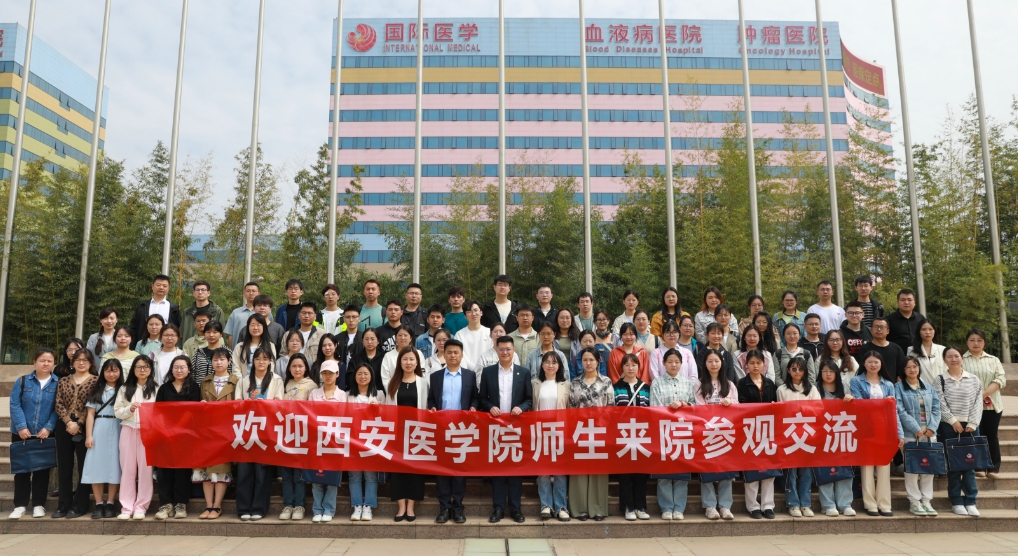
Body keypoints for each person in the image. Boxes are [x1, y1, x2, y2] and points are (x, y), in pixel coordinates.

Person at [478, 336, 532, 523]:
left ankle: (516, 509)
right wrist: (490, 407)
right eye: (501, 349)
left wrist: (521, 408)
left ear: (513, 350)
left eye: (508, 349)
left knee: (515, 470)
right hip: (496, 428)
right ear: (496, 350)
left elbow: (529, 399)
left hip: (516, 428)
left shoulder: (523, 373)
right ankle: (498, 509)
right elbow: (482, 398)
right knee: (498, 469)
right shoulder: (488, 372)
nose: (505, 352)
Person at [428, 339, 478, 524]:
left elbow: (475, 397)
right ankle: (444, 507)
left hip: (461, 429)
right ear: (444, 354)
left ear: (462, 355)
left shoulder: (470, 375)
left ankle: (458, 507)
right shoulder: (435, 376)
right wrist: (432, 408)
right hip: (441, 428)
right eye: (449, 352)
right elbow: (431, 399)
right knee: (442, 469)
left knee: (458, 469)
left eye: (456, 352)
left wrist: (473, 407)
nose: (452, 355)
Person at [850, 351, 905, 516]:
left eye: (876, 362)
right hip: (865, 428)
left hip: (885, 429)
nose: (873, 365)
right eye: (870, 362)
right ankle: (870, 504)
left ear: (881, 364)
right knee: (867, 467)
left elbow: (894, 411)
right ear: (864, 364)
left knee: (884, 466)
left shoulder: (888, 384)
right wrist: (882, 404)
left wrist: (899, 433)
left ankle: (884, 503)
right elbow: (859, 404)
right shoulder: (856, 381)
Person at [8, 348, 59, 520]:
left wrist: (49, 427)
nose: (46, 363)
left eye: (49, 361)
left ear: (54, 363)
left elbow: (58, 408)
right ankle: (20, 505)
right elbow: (15, 404)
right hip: (21, 432)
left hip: (44, 433)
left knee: (42, 471)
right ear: (34, 362)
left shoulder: (58, 383)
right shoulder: (23, 381)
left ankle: (38, 504)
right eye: (42, 360)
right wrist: (21, 427)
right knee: (22, 470)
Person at [933, 345, 983, 516]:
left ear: (962, 358)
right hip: (949, 426)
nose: (953, 359)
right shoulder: (939, 379)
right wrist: (953, 421)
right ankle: (956, 501)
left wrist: (973, 423)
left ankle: (971, 500)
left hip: (970, 426)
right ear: (944, 360)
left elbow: (978, 403)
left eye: (956, 356)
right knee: (954, 466)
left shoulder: (974, 379)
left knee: (969, 465)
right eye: (949, 356)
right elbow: (939, 403)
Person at [235, 348, 284, 520]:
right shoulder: (244, 380)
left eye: (265, 358)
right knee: (244, 471)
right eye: (257, 359)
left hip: (266, 430)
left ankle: (258, 508)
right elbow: (236, 403)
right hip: (246, 430)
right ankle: (243, 508)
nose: (261, 361)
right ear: (253, 361)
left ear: (270, 361)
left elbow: (280, 403)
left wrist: (266, 404)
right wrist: (247, 403)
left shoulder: (276, 380)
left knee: (262, 473)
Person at [650, 348, 696, 521]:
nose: (673, 365)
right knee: (664, 472)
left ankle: (679, 508)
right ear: (663, 363)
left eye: (677, 362)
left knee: (681, 471)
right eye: (670, 362)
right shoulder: (657, 383)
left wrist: (684, 403)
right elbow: (655, 407)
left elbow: (695, 406)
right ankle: (666, 507)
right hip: (664, 431)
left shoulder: (688, 384)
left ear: (681, 364)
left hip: (683, 431)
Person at [569, 347, 614, 521]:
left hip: (600, 430)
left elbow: (610, 407)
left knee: (598, 470)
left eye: (591, 360)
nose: (588, 363)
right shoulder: (575, 382)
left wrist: (599, 421)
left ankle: (598, 508)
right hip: (580, 431)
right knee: (579, 470)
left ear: (598, 361)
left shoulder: (606, 382)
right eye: (585, 360)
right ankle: (580, 508)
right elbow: (571, 408)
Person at [153, 356, 200, 520]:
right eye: (176, 367)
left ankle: (181, 504)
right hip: (165, 434)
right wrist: (166, 430)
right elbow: (158, 411)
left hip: (185, 435)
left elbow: (192, 410)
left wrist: (177, 427)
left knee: (182, 470)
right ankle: (165, 504)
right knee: (164, 470)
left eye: (182, 367)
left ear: (189, 369)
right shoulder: (164, 388)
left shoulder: (193, 387)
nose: (179, 370)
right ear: (171, 370)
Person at [53, 348, 99, 518]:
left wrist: (79, 423)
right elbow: (58, 403)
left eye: (85, 360)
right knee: (64, 466)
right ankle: (63, 504)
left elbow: (93, 405)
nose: (81, 363)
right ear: (72, 362)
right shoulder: (64, 380)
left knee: (83, 467)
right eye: (78, 359)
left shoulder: (96, 381)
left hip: (85, 427)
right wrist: (68, 422)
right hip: (64, 426)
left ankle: (80, 505)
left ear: (91, 363)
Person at [386, 346, 430, 522]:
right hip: (397, 432)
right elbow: (388, 410)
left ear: (417, 362)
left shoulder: (423, 383)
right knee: (397, 470)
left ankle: (411, 506)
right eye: (405, 359)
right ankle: (401, 507)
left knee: (415, 470)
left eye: (412, 359)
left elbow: (426, 408)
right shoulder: (393, 383)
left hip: (417, 433)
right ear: (400, 362)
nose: (408, 362)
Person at [896, 355, 942, 516]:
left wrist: (932, 428)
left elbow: (936, 408)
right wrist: (915, 428)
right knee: (912, 469)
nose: (912, 369)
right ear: (903, 370)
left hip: (929, 435)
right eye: (908, 367)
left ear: (919, 368)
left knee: (928, 469)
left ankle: (926, 500)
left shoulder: (928, 387)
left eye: (915, 366)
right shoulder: (898, 388)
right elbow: (900, 411)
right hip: (910, 435)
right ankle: (914, 501)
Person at [695, 348, 738, 520]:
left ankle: (725, 506)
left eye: (717, 361)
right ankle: (710, 506)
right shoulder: (699, 384)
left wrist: (730, 402)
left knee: (726, 470)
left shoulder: (730, 384)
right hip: (707, 433)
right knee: (707, 470)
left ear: (722, 363)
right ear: (705, 364)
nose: (714, 364)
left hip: (726, 433)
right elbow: (699, 408)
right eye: (710, 361)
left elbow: (738, 408)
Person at [196, 347, 238, 520]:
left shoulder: (236, 381)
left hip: (226, 430)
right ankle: (208, 504)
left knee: (221, 468)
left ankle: (217, 505)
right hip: (207, 430)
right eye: (215, 360)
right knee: (206, 469)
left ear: (229, 361)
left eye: (222, 359)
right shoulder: (205, 381)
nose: (218, 362)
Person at [114, 355, 158, 520]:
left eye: (146, 367)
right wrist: (129, 410)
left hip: (148, 432)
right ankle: (126, 507)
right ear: (133, 369)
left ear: (151, 369)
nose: (142, 370)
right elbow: (117, 411)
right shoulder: (125, 388)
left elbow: (161, 413)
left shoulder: (156, 388)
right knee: (128, 469)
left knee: (146, 470)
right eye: (139, 367)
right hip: (128, 429)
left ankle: (141, 507)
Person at [736, 349, 778, 519]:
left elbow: (776, 405)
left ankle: (768, 505)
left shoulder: (770, 383)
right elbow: (741, 406)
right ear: (746, 365)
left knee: (769, 470)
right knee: (752, 469)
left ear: (764, 364)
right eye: (752, 363)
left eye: (758, 363)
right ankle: (753, 506)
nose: (755, 366)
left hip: (768, 431)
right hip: (749, 431)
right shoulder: (741, 383)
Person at [777, 357, 820, 517]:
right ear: (788, 370)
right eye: (794, 369)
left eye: (800, 369)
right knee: (791, 472)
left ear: (805, 371)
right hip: (789, 435)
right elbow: (780, 413)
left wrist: (803, 410)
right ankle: (793, 504)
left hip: (808, 434)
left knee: (806, 472)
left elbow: (819, 410)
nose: (797, 372)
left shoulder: (812, 389)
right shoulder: (782, 389)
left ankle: (806, 504)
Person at [532, 351, 570, 522]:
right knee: (543, 471)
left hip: (560, 431)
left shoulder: (565, 385)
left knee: (560, 471)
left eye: (554, 362)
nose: (550, 365)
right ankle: (546, 505)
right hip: (540, 431)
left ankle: (561, 507)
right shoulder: (535, 384)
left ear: (559, 366)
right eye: (547, 362)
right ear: (542, 365)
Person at [962, 328, 1006, 477]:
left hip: (992, 404)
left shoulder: (993, 360)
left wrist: (984, 394)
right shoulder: (961, 360)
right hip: (970, 406)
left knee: (991, 435)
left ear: (984, 342)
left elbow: (1001, 379)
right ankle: (978, 466)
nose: (976, 343)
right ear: (967, 342)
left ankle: (993, 466)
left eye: (979, 340)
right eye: (972, 340)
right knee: (975, 435)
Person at [82, 359, 123, 519]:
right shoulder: (97, 390)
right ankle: (99, 503)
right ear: (103, 372)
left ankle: (111, 503)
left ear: (120, 372)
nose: (111, 374)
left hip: (119, 427)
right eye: (108, 370)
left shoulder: (124, 390)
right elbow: (90, 414)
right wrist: (89, 435)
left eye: (115, 370)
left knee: (115, 466)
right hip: (100, 427)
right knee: (96, 465)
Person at [613, 353, 651, 521]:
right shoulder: (615, 387)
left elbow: (651, 411)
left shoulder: (646, 388)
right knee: (625, 473)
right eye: (627, 365)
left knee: (641, 472)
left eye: (634, 365)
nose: (630, 368)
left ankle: (640, 506)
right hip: (622, 435)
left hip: (642, 435)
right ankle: (628, 507)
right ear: (622, 368)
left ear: (639, 367)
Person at [308, 360, 347, 523]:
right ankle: (317, 509)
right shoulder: (314, 393)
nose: (328, 376)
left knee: (332, 478)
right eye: (324, 373)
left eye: (331, 373)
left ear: (337, 374)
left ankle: (329, 509)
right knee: (316, 477)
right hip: (316, 440)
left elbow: (343, 417)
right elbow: (310, 415)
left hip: (334, 441)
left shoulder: (342, 395)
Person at [816, 361, 856, 517]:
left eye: (831, 371)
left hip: (841, 433)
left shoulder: (844, 387)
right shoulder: (815, 388)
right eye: (824, 371)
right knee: (825, 469)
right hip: (822, 434)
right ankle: (828, 504)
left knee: (844, 468)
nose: (828, 374)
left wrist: (851, 399)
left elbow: (854, 409)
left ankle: (845, 503)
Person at [279, 354, 315, 521]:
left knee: (298, 474)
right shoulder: (285, 384)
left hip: (302, 434)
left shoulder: (311, 386)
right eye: (294, 366)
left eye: (300, 366)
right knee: (286, 473)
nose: (297, 369)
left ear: (306, 367)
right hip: (285, 433)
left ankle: (299, 505)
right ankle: (288, 504)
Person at [347, 363, 384, 522]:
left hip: (372, 440)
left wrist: (378, 409)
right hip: (353, 440)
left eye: (366, 374)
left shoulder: (380, 394)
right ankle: (357, 506)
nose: (363, 376)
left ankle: (368, 506)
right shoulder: (348, 395)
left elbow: (386, 418)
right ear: (355, 376)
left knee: (370, 476)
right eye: (359, 373)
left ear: (371, 376)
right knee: (354, 476)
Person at [127, 274, 181, 350]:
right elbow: (134, 327)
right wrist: (132, 347)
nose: (161, 287)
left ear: (169, 288)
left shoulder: (173, 308)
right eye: (158, 285)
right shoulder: (142, 306)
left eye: (164, 286)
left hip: (165, 346)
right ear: (152, 286)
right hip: (144, 345)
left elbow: (177, 328)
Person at [380, 326, 424, 392]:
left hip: (416, 391)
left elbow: (422, 374)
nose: (402, 338)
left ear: (410, 338)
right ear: (395, 338)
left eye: (405, 335)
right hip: (394, 392)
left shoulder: (418, 353)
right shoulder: (388, 356)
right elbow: (385, 378)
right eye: (400, 335)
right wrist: (394, 391)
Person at [232, 314, 277, 379]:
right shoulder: (239, 347)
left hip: (264, 382)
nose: (255, 328)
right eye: (252, 325)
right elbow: (235, 368)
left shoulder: (270, 346)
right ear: (248, 327)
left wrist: (263, 381)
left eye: (258, 325)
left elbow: (271, 367)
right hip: (243, 382)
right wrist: (243, 381)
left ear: (264, 327)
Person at [454, 300, 491, 372]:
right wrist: (474, 369)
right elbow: (460, 354)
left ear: (481, 313)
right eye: (469, 312)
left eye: (476, 310)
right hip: (466, 372)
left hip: (486, 371)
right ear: (465, 316)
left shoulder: (489, 332)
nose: (473, 314)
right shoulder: (459, 335)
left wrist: (482, 368)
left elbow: (491, 352)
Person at [886, 289, 925, 355]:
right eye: (903, 300)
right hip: (897, 356)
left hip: (918, 356)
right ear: (898, 302)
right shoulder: (888, 320)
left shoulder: (920, 318)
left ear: (914, 302)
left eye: (909, 300)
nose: (906, 302)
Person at [908, 319, 946, 386]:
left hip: (942, 388)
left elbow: (947, 370)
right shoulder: (911, 350)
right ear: (919, 332)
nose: (928, 332)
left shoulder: (942, 349)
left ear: (934, 331)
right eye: (924, 329)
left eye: (930, 329)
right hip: (921, 387)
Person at [225, 282, 260, 348]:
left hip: (259, 351)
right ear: (244, 293)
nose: (251, 293)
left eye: (253, 291)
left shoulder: (263, 312)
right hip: (238, 350)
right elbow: (230, 335)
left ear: (258, 293)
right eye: (248, 291)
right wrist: (230, 352)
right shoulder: (236, 312)